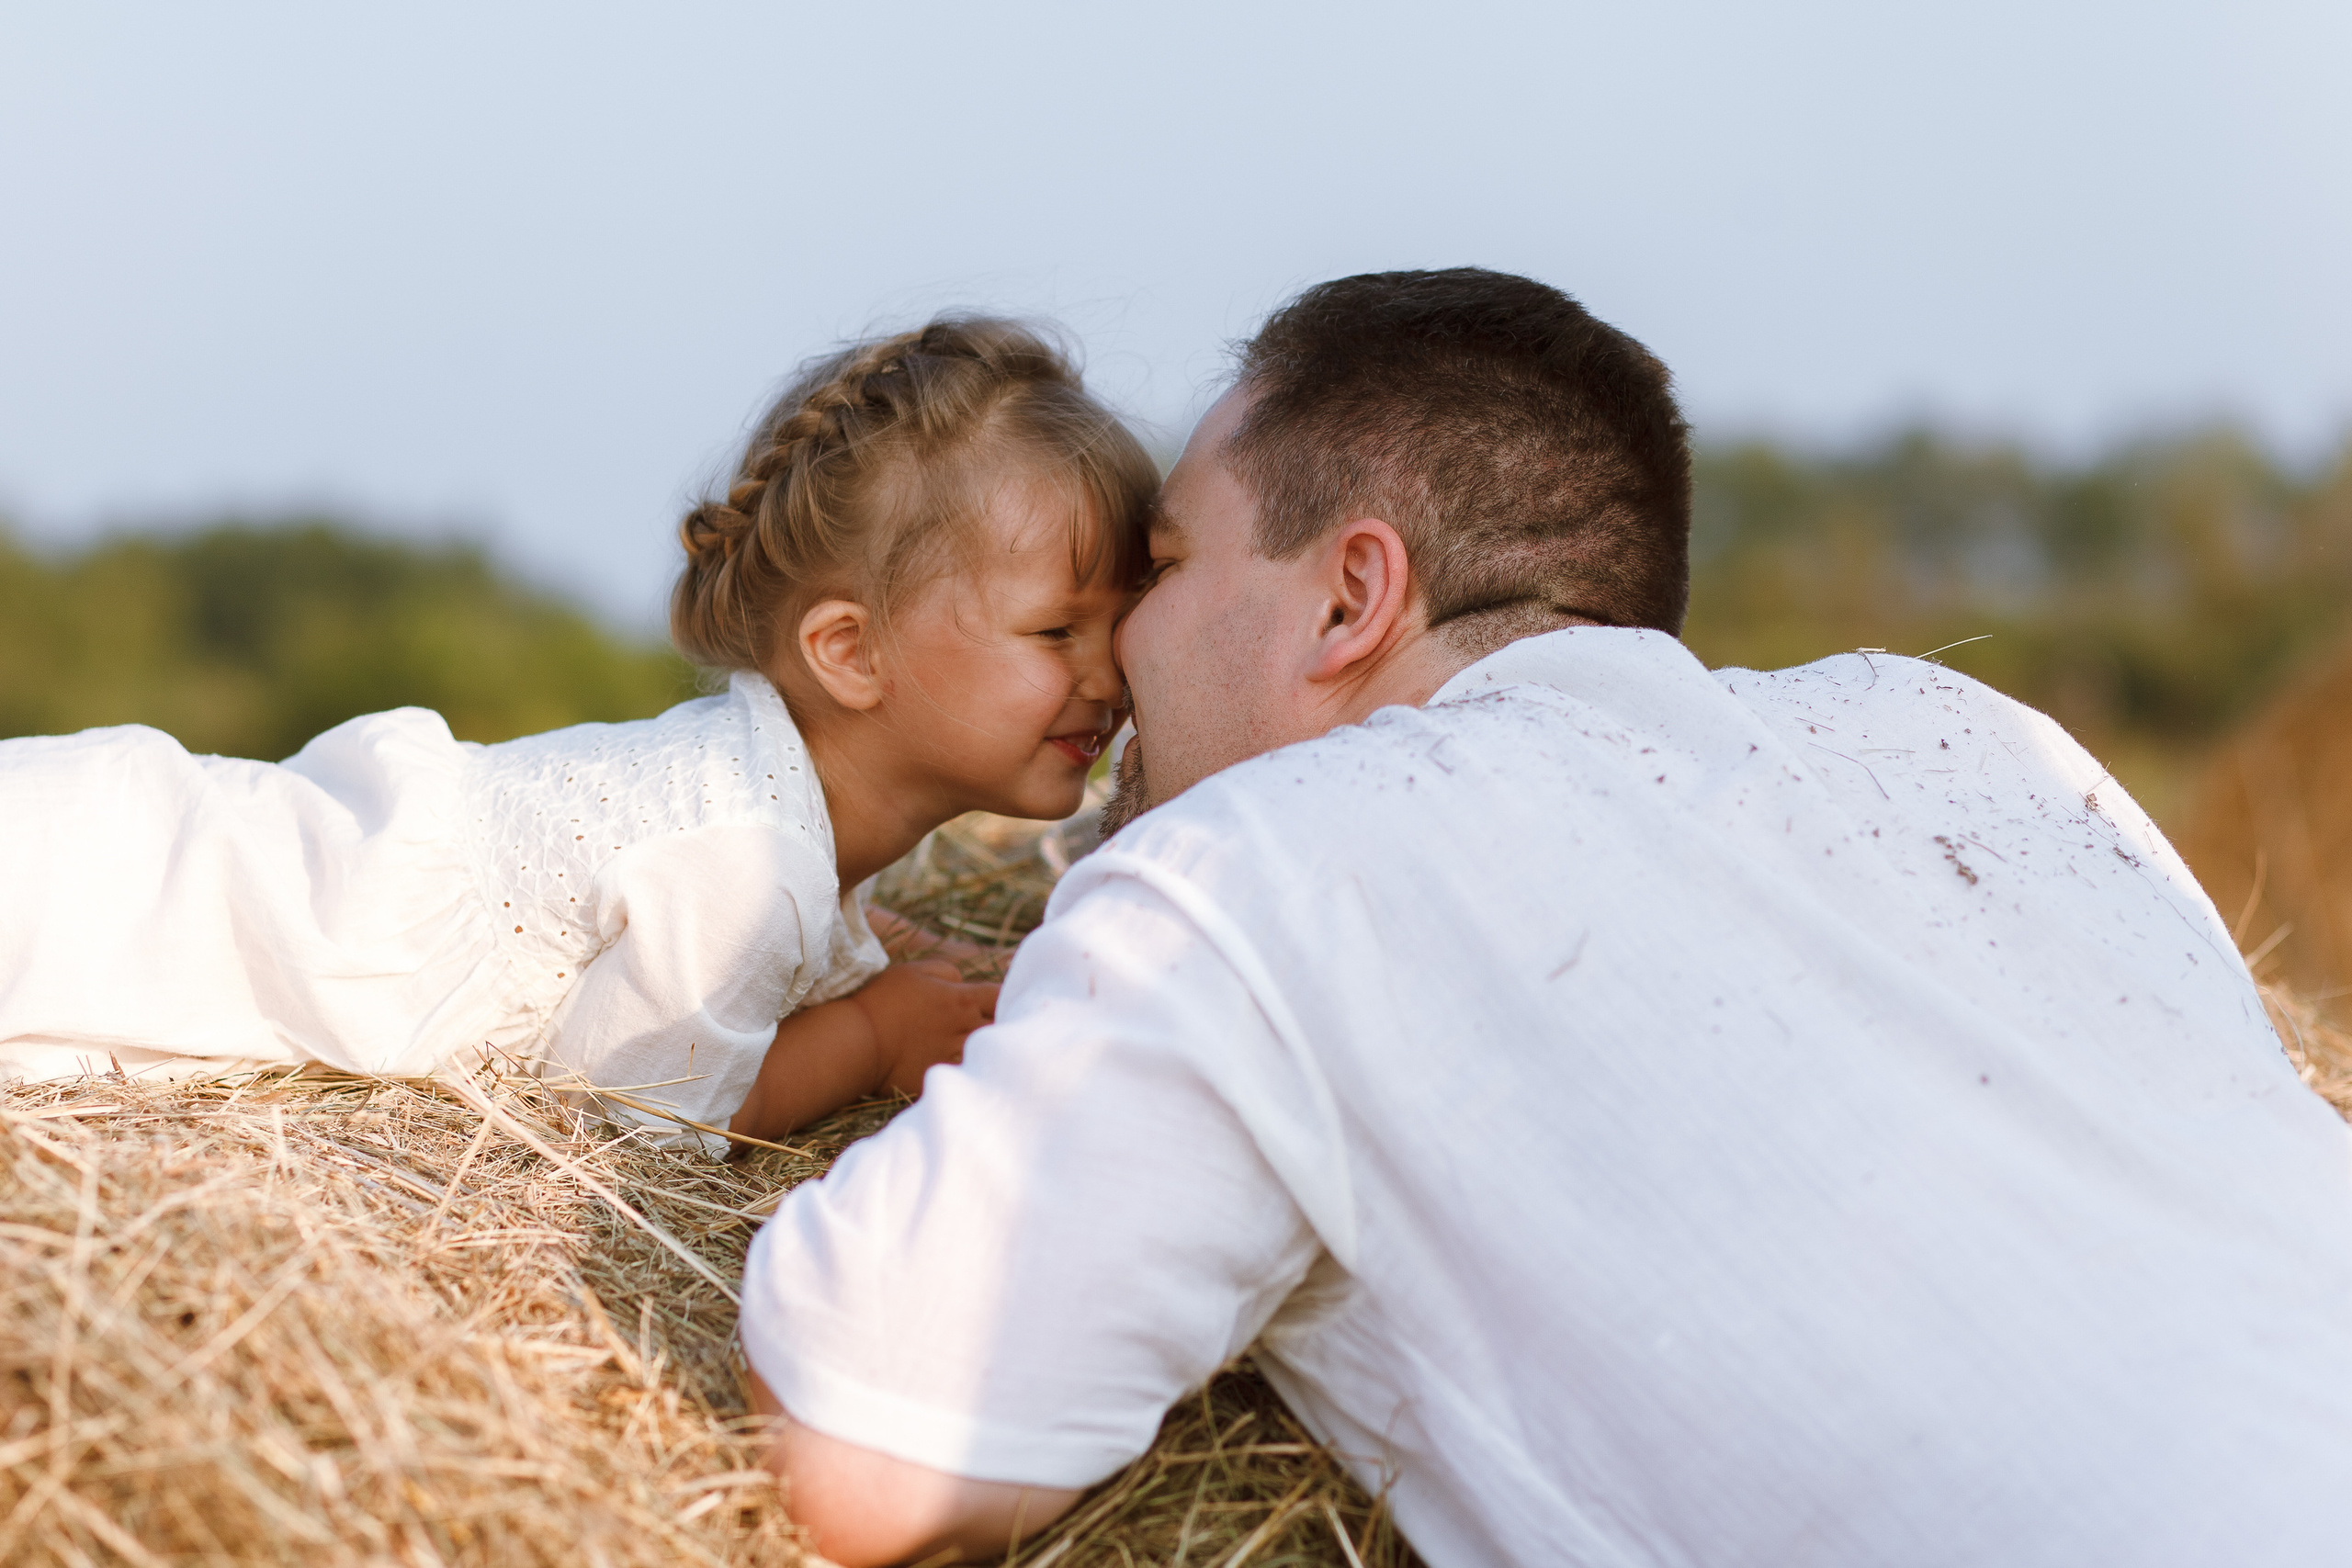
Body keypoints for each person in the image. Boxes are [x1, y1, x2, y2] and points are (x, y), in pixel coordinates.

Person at [737, 270, 2352, 1565]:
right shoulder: (1984, 747)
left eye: (1159, 565)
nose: (1119, 644)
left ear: (1352, 599)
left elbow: (869, 1434)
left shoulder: (1274, 861)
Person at [0, 318, 1156, 1148]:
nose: (1112, 671)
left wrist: (873, 951)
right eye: (1056, 630)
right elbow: (634, 1114)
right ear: (848, 654)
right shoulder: (746, 860)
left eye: (1123, 620)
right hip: (133, 893)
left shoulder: (768, 810)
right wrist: (873, 1029)